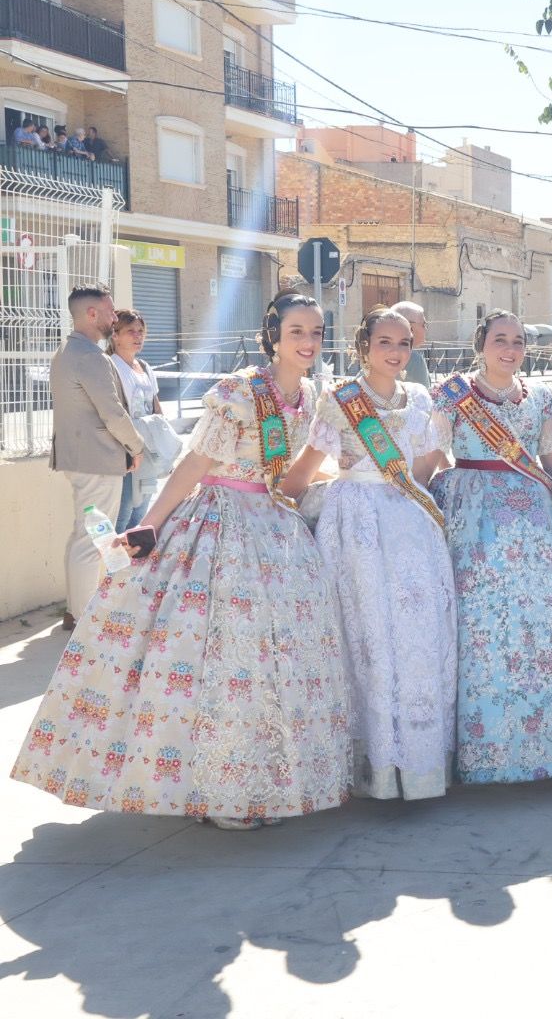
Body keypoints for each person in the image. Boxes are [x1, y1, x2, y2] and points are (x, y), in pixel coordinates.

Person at [12, 291, 351, 829]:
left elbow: (292, 474)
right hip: (219, 524)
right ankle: (217, 789)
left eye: (316, 332)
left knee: (269, 662)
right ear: (274, 336)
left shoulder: (313, 396)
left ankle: (259, 780)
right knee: (217, 659)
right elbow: (196, 462)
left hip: (275, 528)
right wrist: (153, 522)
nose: (308, 342)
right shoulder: (241, 391)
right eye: (297, 332)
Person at [283, 307, 457, 801]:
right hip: (355, 527)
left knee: (415, 634)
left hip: (409, 525)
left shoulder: (420, 397)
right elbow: (305, 469)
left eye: (403, 344)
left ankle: (418, 767)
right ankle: (375, 769)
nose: (396, 353)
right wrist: (274, 503)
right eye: (385, 342)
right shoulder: (340, 401)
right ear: (364, 346)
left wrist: (405, 501)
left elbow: (426, 462)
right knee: (367, 635)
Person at [431, 310, 552, 783]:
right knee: (483, 630)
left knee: (547, 622)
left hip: (535, 520)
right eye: (500, 339)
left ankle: (548, 747)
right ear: (480, 343)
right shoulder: (453, 395)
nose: (510, 349)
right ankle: (487, 751)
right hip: (473, 520)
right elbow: (430, 455)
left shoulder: (540, 398)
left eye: (518, 341)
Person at [49, 285, 143, 630]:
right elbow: (113, 413)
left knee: (83, 536)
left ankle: (77, 611)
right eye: (110, 310)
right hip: (97, 462)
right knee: (96, 539)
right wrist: (137, 446)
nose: (114, 317)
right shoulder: (90, 356)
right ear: (92, 314)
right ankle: (89, 617)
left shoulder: (66, 352)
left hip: (79, 459)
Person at [106, 309, 180, 532]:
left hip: (149, 448)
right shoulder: (110, 366)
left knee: (141, 512)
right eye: (130, 331)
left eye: (141, 331)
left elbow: (155, 405)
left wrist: (163, 441)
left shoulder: (145, 367)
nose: (138, 336)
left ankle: (131, 564)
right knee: (124, 510)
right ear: (115, 335)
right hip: (125, 449)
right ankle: (112, 565)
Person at [393, 301, 432, 387]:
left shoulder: (378, 352)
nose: (426, 328)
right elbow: (425, 398)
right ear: (409, 327)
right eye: (424, 324)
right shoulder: (413, 358)